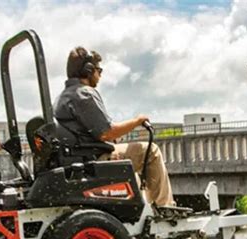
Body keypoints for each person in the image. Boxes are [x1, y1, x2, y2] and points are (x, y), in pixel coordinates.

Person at [53, 46, 174, 207]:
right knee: (150, 151)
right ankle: (164, 207)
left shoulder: (61, 97)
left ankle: (144, 207)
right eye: (99, 70)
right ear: (88, 70)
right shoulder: (84, 93)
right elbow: (106, 133)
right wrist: (137, 121)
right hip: (95, 158)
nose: (100, 75)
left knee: (135, 175)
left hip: (81, 155)